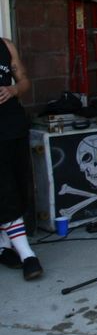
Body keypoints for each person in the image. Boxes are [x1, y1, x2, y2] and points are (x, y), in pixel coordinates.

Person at [0, 37, 43, 280]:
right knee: (5, 189)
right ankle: (28, 255)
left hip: (13, 126)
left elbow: (24, 81)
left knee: (18, 185)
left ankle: (4, 246)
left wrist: (13, 89)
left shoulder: (6, 46)